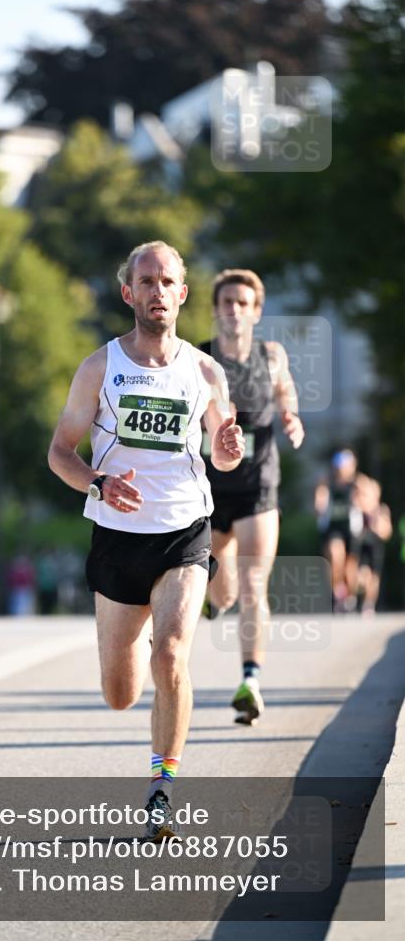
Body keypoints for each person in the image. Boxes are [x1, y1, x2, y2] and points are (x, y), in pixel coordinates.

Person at [48, 241, 244, 839]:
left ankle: (162, 787)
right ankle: (131, 644)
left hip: (185, 530)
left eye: (168, 282)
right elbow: (60, 453)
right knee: (119, 692)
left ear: (183, 294)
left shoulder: (207, 372)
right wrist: (98, 483)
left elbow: (222, 451)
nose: (158, 291)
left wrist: (228, 453)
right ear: (128, 293)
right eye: (147, 281)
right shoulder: (99, 368)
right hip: (116, 539)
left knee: (173, 655)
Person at [199, 269, 305, 725]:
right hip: (207, 488)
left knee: (254, 587)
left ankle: (250, 680)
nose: (235, 309)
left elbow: (287, 392)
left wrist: (290, 416)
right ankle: (213, 599)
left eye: (243, 302)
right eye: (227, 301)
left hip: (259, 483)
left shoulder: (272, 355)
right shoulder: (198, 359)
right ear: (216, 309)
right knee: (222, 587)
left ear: (256, 311)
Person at [314, 449, 363, 612]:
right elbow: (319, 500)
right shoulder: (327, 482)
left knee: (350, 568)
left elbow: (371, 501)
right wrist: (319, 503)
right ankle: (336, 593)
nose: (342, 470)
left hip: (352, 529)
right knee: (336, 556)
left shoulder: (358, 483)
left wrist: (361, 500)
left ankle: (350, 597)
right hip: (333, 528)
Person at [353, 474, 392, 616]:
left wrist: (379, 528)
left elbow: (387, 532)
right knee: (362, 576)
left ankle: (369, 604)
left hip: (376, 546)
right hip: (363, 546)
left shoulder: (381, 510)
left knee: (374, 577)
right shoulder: (359, 510)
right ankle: (358, 597)